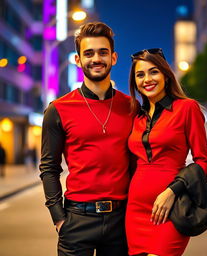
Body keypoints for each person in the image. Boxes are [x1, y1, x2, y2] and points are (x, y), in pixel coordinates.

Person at [39, 22, 134, 256]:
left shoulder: (131, 106)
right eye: (88, 53)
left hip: (121, 222)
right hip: (77, 220)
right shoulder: (58, 109)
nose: (96, 59)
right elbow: (49, 167)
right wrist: (59, 218)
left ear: (114, 58)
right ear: (78, 60)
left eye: (103, 52)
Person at [125, 48, 207, 256]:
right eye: (140, 74)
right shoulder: (136, 116)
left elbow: (203, 163)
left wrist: (171, 191)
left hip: (171, 209)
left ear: (165, 74)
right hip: (135, 210)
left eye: (153, 72)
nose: (147, 79)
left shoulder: (187, 108)